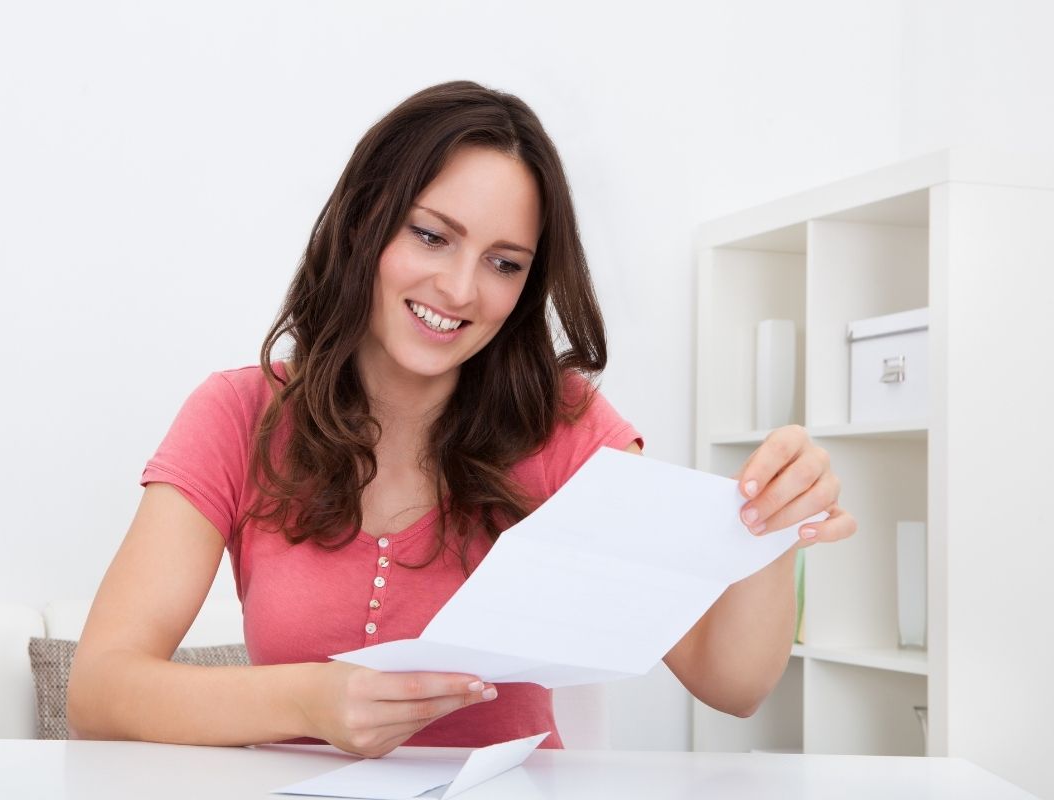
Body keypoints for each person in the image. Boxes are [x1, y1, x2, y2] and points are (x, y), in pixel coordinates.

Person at [66, 81, 855, 758]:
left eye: (504, 263)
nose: (460, 288)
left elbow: (732, 683)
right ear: (363, 222)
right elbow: (99, 690)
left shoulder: (563, 425)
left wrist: (772, 525)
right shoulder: (237, 415)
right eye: (432, 236)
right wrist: (308, 702)